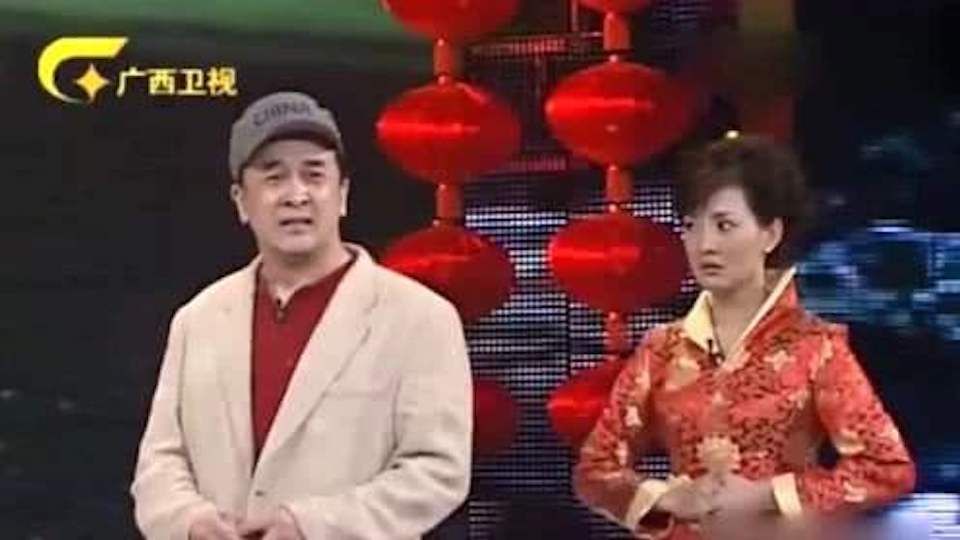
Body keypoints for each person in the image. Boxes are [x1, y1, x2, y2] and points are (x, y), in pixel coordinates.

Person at [131, 91, 473, 540]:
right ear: (241, 201)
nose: (296, 195)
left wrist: (312, 526)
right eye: (273, 177)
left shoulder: (420, 318)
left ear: (343, 193)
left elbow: (437, 471)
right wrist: (189, 521)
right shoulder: (198, 320)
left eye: (314, 175)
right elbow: (159, 462)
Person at [574, 134, 916, 538]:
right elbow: (595, 471)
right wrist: (667, 499)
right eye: (691, 226)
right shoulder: (661, 349)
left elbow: (885, 469)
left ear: (770, 234)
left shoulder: (815, 347)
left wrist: (769, 496)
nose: (704, 245)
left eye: (724, 226)